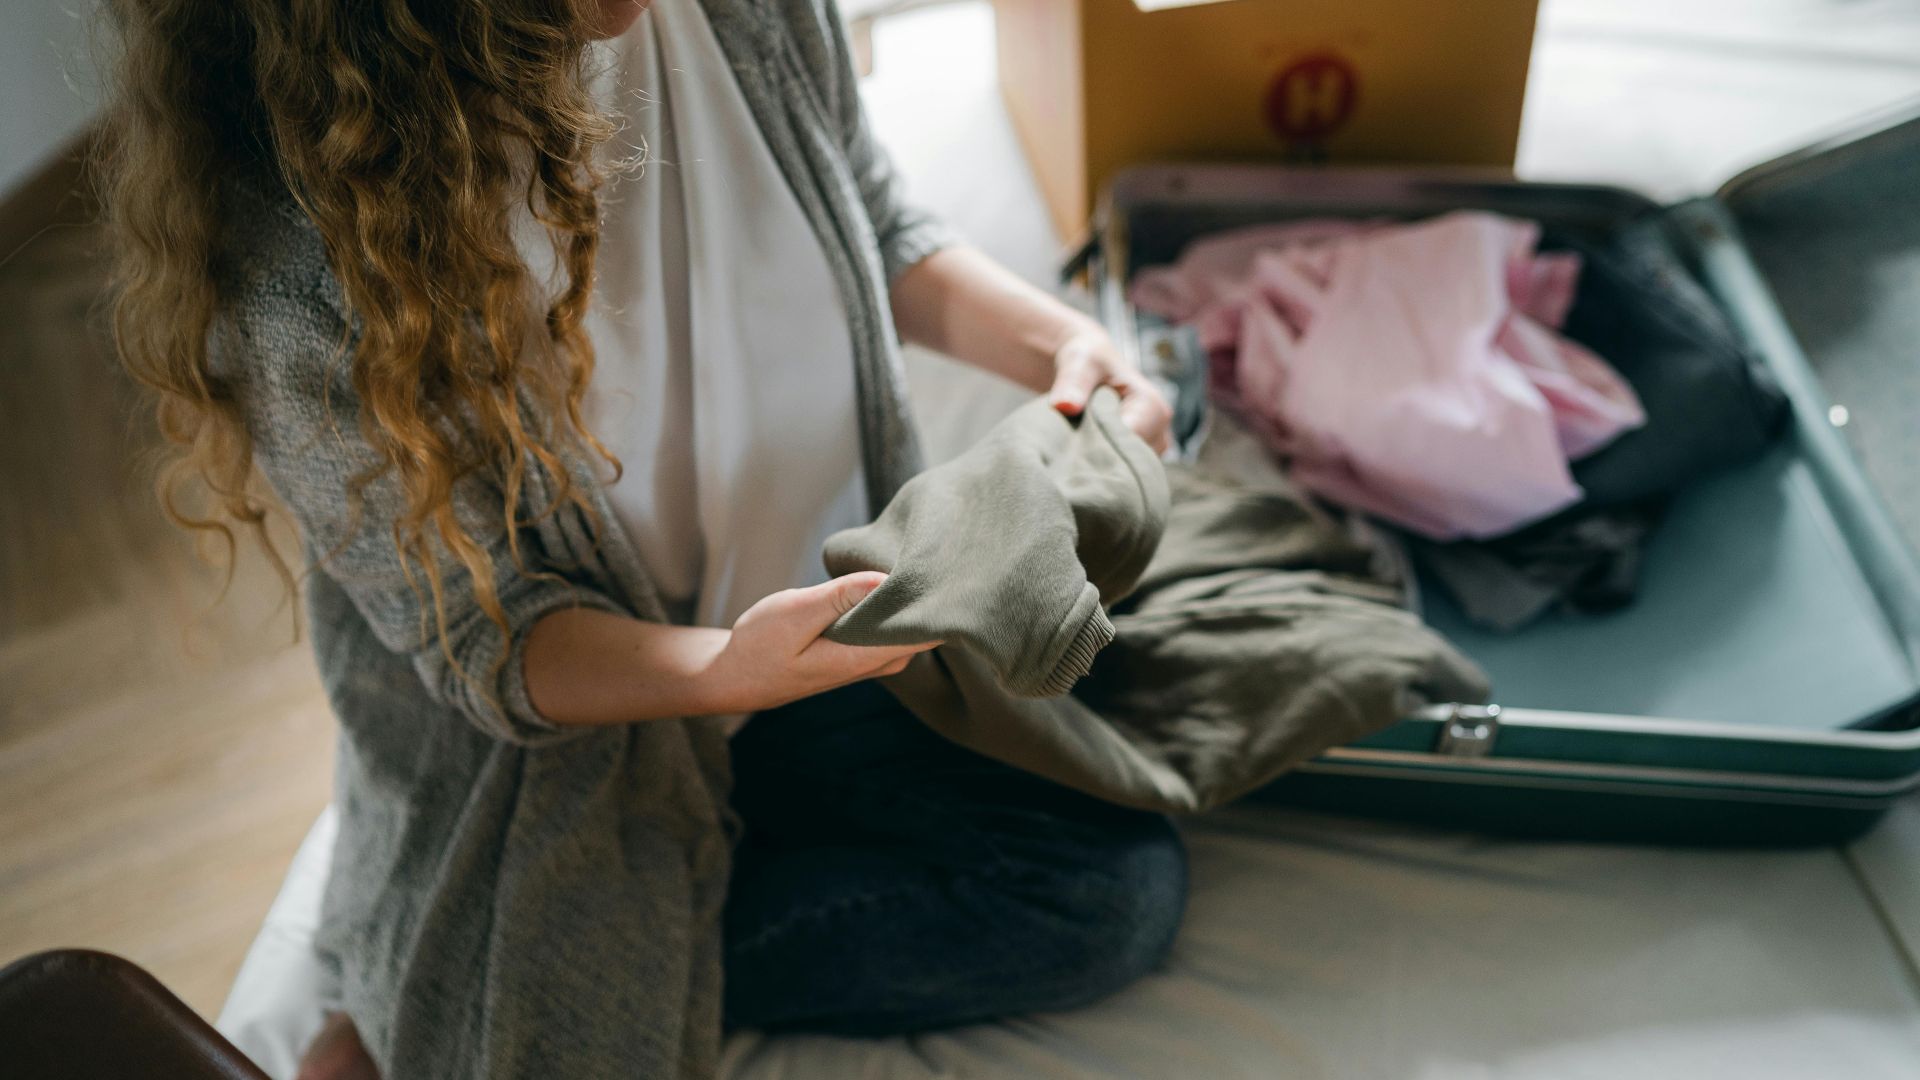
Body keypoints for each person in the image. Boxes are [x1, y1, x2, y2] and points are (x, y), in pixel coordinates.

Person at [101, 0, 1188, 1075]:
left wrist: (1066, 345)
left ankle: (685, 907)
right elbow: (494, 643)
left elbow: (872, 212)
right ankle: (528, 957)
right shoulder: (299, 257)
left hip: (831, 621)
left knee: (1115, 883)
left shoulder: (741, 17)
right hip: (586, 728)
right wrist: (725, 674)